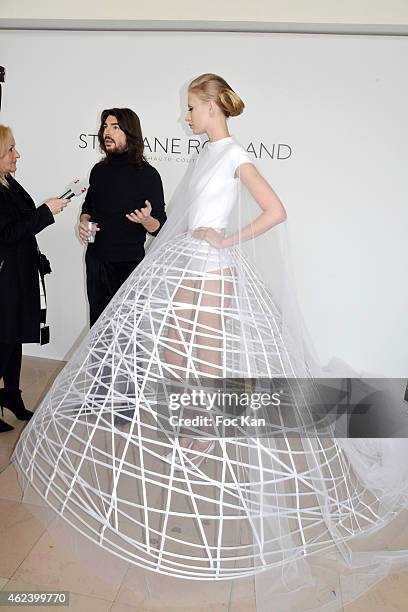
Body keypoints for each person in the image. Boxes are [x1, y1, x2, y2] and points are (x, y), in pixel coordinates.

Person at [12, 77, 408, 611]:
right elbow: (185, 220)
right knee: (176, 350)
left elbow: (275, 211)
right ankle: (191, 425)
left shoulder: (235, 154)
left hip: (213, 271)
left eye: (192, 108)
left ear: (212, 107)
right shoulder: (207, 153)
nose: (187, 117)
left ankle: (205, 434)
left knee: (209, 352)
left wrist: (227, 239)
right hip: (186, 267)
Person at [0, 124, 69, 433]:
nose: (18, 154)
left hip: (20, 274)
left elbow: (21, 223)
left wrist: (45, 211)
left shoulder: (8, 183)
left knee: (14, 340)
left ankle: (11, 395)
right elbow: (7, 233)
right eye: (11, 150)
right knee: (3, 340)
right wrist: (46, 211)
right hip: (5, 278)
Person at [78, 108, 167, 327]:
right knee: (98, 329)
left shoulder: (148, 175)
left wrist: (146, 220)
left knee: (127, 334)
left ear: (130, 133)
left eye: (115, 127)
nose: (107, 132)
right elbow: (88, 207)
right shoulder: (98, 170)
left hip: (129, 266)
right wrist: (83, 221)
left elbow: (160, 226)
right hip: (97, 263)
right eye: (105, 126)